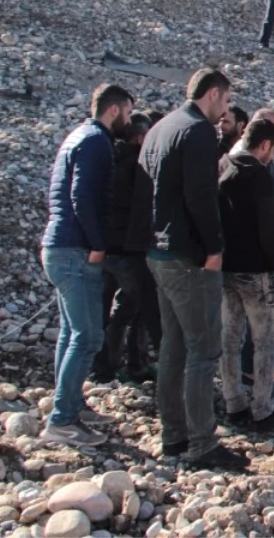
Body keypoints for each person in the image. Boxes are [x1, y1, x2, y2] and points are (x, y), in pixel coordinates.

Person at [132, 69, 247, 468]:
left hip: (158, 251)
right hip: (188, 256)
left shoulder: (161, 127)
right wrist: (214, 249)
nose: (227, 109)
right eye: (226, 101)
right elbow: (201, 196)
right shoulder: (198, 131)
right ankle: (202, 444)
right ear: (213, 94)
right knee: (202, 349)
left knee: (173, 346)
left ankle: (173, 437)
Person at [39, 83, 135, 446]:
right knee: (88, 335)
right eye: (127, 111)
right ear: (113, 110)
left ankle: (72, 403)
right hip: (76, 249)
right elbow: (81, 195)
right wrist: (97, 244)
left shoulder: (77, 136)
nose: (128, 118)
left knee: (71, 332)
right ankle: (62, 419)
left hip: (60, 245)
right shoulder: (97, 141)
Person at [218, 119, 274, 432]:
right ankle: (262, 408)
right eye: (272, 150)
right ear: (264, 145)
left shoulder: (222, 164)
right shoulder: (259, 175)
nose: (271, 156)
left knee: (229, 339)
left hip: (224, 266)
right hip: (256, 271)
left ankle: (233, 401)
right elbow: (266, 227)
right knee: (265, 342)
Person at [91, 111, 161, 385]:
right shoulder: (139, 165)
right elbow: (143, 210)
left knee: (110, 312)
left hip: (105, 248)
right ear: (141, 137)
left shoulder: (107, 159)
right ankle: (140, 366)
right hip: (130, 251)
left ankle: (104, 370)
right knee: (146, 312)